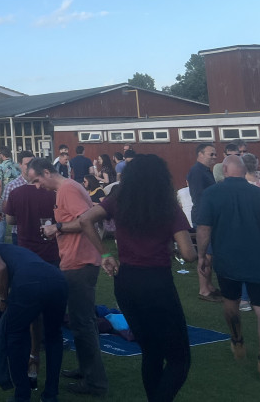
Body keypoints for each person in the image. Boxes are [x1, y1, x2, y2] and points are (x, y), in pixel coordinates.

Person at [78, 154, 196, 402]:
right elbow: (188, 253)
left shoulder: (119, 199)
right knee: (179, 360)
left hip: (127, 281)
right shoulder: (167, 205)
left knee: (151, 353)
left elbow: (85, 219)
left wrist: (106, 254)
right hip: (157, 283)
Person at [195, 154, 260, 383]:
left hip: (227, 262)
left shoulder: (212, 194)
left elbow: (204, 229)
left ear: (225, 170)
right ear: (244, 171)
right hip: (259, 261)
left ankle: (237, 341)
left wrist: (202, 256)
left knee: (231, 303)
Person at [32, 158, 108, 397]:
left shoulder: (67, 189)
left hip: (81, 263)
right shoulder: (67, 188)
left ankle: (95, 382)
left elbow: (86, 221)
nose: (37, 186)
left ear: (47, 172)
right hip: (76, 261)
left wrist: (58, 228)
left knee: (82, 323)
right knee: (80, 321)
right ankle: (87, 370)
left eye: (37, 180)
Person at [0, 243, 67, 402]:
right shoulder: (18, 253)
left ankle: (21, 395)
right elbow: (34, 317)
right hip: (58, 279)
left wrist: (3, 299)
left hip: (29, 282)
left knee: (14, 336)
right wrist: (34, 352)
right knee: (54, 337)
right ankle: (50, 395)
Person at [2, 155, 59, 265]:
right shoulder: (53, 193)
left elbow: (9, 220)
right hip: (50, 249)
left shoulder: (16, 193)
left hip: (25, 249)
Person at [186, 143, 221, 301]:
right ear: (200, 154)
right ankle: (204, 290)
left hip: (209, 216)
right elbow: (200, 196)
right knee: (206, 253)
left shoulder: (206, 171)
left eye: (215, 154)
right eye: (211, 154)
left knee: (210, 254)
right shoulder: (197, 171)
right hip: (203, 217)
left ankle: (209, 285)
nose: (214, 157)